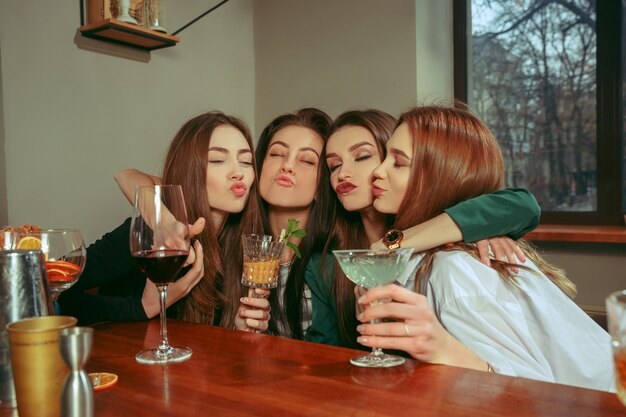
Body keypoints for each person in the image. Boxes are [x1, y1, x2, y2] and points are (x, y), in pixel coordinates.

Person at [355, 105, 613, 391]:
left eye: (398, 163)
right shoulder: (438, 256)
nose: (377, 172)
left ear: (440, 176)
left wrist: (445, 351)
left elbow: (534, 392)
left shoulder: (455, 269)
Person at [306, 109, 542, 347]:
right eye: (334, 165)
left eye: (362, 156)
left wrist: (477, 228)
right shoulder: (326, 264)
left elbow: (522, 205)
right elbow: (324, 350)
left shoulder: (446, 260)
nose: (343, 173)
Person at [59, 111, 270, 332]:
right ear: (191, 171)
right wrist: (141, 307)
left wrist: (239, 328)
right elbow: (49, 293)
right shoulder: (150, 233)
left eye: (246, 161)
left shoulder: (241, 244)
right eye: (217, 160)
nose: (238, 172)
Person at [254, 108, 334, 338]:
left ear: (323, 185)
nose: (287, 165)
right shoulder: (235, 245)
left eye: (307, 160)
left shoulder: (331, 263)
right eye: (277, 153)